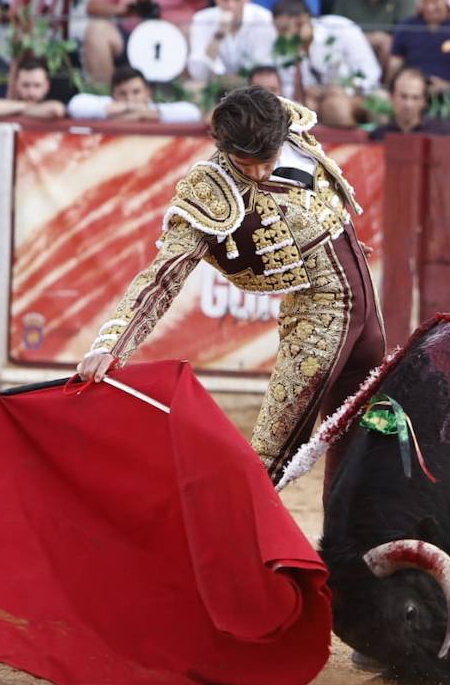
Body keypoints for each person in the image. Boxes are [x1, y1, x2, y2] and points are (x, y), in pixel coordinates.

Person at [77, 87, 385, 484]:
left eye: (265, 160)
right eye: (245, 162)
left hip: (364, 309)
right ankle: (227, 543)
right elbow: (163, 276)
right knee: (272, 456)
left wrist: (335, 243)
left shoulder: (289, 131)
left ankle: (349, 542)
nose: (257, 172)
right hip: (318, 315)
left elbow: (320, 201)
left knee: (360, 432)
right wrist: (111, 345)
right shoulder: (211, 190)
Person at [269, 0, 381, 127]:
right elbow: (287, 89)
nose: (282, 36)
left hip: (357, 96)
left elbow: (370, 73)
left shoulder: (340, 28)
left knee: (338, 106)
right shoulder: (283, 49)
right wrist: (307, 92)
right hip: (317, 105)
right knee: (307, 108)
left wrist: (346, 89)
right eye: (279, 31)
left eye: (285, 29)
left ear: (303, 20)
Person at [82, 0, 209, 88]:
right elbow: (93, 5)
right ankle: (105, 98)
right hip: (130, 36)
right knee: (97, 31)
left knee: (193, 33)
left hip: (177, 37)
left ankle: (189, 100)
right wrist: (121, 8)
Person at [186, 0, 276, 84]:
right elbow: (198, 71)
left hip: (252, 87)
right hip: (214, 86)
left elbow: (262, 64)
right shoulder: (201, 19)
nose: (230, 5)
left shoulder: (263, 18)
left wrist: (236, 80)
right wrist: (218, 35)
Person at [66, 65, 203, 121]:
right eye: (122, 93)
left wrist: (147, 114)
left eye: (136, 92)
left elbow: (193, 113)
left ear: (148, 92)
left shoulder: (157, 109)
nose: (130, 98)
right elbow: (74, 105)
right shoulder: (108, 105)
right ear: (113, 94)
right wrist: (131, 109)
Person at [331, 0, 417, 70]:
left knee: (391, 53)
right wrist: (365, 39)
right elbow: (337, 26)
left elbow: (408, 30)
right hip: (352, 48)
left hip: (391, 52)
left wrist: (388, 41)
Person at [369, 65, 450, 137]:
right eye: (403, 97)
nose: (408, 104)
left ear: (424, 101)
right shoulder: (379, 135)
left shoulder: (443, 133)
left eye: (415, 98)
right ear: (391, 97)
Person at [0, 54, 65, 116]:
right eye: (25, 85)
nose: (31, 92)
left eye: (37, 85)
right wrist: (25, 106)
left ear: (47, 86)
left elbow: (57, 110)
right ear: (16, 84)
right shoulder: (13, 104)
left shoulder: (53, 104)